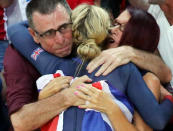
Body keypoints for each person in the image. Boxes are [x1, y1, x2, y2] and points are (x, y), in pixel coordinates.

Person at [8, 1, 173, 130]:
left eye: (122, 28)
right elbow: (158, 119)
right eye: (114, 23)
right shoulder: (125, 71)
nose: (112, 29)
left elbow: (15, 30)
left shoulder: (56, 65)